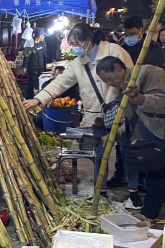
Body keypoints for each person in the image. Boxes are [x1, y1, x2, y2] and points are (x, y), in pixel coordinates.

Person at [25, 23, 133, 196]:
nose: (74, 48)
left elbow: (131, 78)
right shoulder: (78, 63)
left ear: (88, 40)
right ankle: (101, 190)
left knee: (126, 150)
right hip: (96, 115)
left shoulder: (115, 51)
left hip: (120, 111)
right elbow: (60, 83)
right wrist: (38, 99)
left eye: (76, 44)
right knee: (100, 154)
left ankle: (132, 191)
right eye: (71, 44)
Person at [95, 56, 165, 220]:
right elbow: (131, 121)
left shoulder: (148, 73)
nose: (110, 84)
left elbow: (163, 104)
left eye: (109, 78)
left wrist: (139, 97)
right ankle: (148, 214)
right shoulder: (123, 90)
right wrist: (114, 135)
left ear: (118, 68)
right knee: (157, 168)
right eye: (105, 82)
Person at [23, 29, 47, 98]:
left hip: (41, 68)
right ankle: (29, 98)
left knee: (41, 84)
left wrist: (45, 64)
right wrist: (24, 66)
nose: (44, 37)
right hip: (33, 69)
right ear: (40, 36)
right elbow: (26, 56)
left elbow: (44, 55)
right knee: (31, 84)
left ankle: (40, 98)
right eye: (43, 35)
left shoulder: (42, 43)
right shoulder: (31, 44)